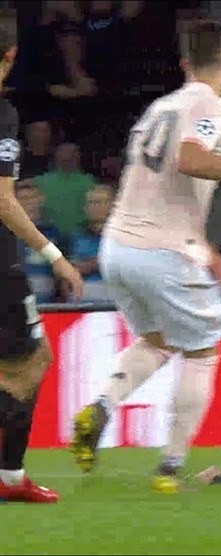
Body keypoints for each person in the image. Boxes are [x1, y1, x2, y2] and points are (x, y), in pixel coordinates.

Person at [69, 20, 221, 493]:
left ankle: (101, 407)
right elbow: (190, 160)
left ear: (185, 63)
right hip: (160, 251)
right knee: (204, 353)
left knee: (158, 340)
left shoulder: (160, 108)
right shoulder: (209, 104)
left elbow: (162, 187)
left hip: (119, 246)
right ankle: (170, 468)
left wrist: (206, 249)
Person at [0, 15, 84, 504]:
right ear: (10, 56)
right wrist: (55, 256)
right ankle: (10, 477)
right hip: (1, 268)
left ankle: (11, 476)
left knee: (27, 360)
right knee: (31, 364)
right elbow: (3, 200)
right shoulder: (3, 113)